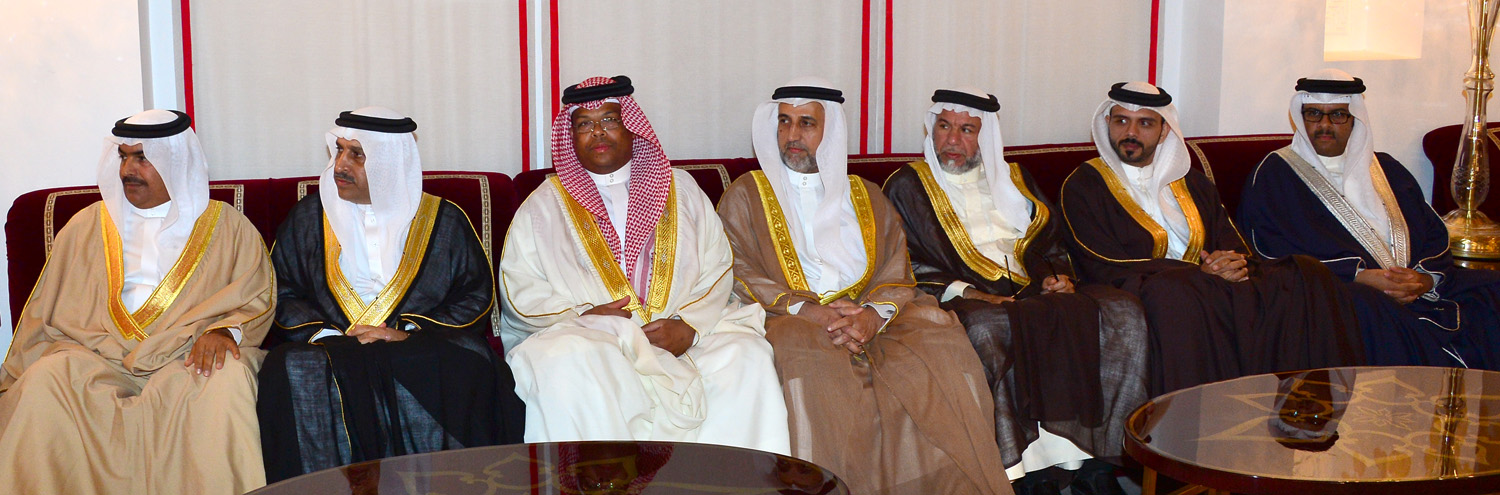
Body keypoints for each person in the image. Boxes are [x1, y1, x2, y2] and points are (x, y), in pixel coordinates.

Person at [718, 77, 1010, 494]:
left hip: (872, 313)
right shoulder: (746, 193)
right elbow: (738, 268)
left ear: (831, 131)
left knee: (942, 342)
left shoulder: (867, 195)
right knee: (803, 357)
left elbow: (896, 267)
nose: (793, 135)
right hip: (791, 316)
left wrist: (873, 315)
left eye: (807, 123)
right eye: (784, 122)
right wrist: (812, 312)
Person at [500, 76, 789, 455]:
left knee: (745, 356)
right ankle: (599, 478)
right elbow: (520, 288)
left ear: (631, 127)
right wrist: (585, 317)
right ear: (570, 137)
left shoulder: (681, 189)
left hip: (683, 333)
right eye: (584, 124)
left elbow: (717, 267)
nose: (597, 132)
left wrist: (689, 327)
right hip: (589, 337)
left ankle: (731, 478)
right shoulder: (543, 205)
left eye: (609, 119)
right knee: (565, 360)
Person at [883, 87, 1146, 495]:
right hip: (965, 296)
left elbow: (1051, 241)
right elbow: (905, 259)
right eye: (944, 127)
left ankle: (1093, 460)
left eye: (967, 130)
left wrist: (1058, 276)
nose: (952, 140)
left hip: (1031, 289)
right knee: (990, 328)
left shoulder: (1016, 178)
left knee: (1121, 311)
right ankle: (1022, 471)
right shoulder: (907, 185)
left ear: (984, 137)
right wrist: (969, 293)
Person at [0, 109, 274, 494]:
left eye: (142, 158)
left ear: (175, 161)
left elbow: (255, 296)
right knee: (46, 379)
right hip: (95, 357)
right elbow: (46, 312)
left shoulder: (228, 226)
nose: (128, 169)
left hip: (185, 358)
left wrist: (224, 331)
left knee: (226, 377)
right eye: (123, 156)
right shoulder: (85, 226)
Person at [257, 107, 524, 482]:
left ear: (388, 163)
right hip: (333, 343)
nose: (340, 165)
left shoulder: (443, 219)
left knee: (467, 361)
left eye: (357, 154)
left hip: (419, 342)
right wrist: (328, 333)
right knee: (287, 366)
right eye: (339, 150)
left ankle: (444, 484)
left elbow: (474, 295)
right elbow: (281, 290)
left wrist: (407, 331)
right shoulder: (308, 217)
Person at [1060, 82, 1364, 395]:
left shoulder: (1191, 181)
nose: (1130, 132)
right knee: (1174, 293)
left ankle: (1308, 400)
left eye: (1145, 123)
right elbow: (1100, 261)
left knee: (1305, 273)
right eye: (1121, 121)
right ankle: (1196, 412)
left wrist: (1230, 262)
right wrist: (1198, 273)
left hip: (1208, 281)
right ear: (1107, 124)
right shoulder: (1084, 185)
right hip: (1148, 286)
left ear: (1164, 131)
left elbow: (1228, 237)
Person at [1238, 69, 1500, 369]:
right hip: (1338, 290)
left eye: (1338, 115)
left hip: (1414, 285)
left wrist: (1424, 279)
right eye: (1313, 114)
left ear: (1355, 119)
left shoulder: (1388, 168)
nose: (1324, 125)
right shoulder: (1275, 174)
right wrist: (1360, 276)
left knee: (1491, 287)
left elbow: (1431, 231)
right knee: (1368, 305)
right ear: (1301, 117)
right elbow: (1270, 252)